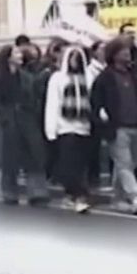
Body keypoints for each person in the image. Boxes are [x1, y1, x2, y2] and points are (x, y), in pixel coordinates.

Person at [91, 36, 137, 214]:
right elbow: (96, 104)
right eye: (122, 51)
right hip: (117, 128)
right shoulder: (105, 78)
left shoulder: (134, 76)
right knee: (124, 163)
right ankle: (136, 196)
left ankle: (117, 199)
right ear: (113, 54)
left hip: (136, 126)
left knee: (127, 165)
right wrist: (102, 120)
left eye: (127, 50)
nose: (126, 53)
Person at [0, 45, 48, 205]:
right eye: (16, 53)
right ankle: (9, 191)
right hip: (8, 120)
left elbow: (34, 97)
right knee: (9, 158)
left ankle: (37, 191)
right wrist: (5, 118)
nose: (20, 55)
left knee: (34, 155)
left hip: (27, 119)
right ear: (8, 57)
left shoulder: (26, 77)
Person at [45, 46, 94, 213]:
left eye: (78, 57)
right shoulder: (58, 78)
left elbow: (93, 100)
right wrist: (51, 130)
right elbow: (53, 104)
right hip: (65, 127)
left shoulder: (88, 78)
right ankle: (77, 195)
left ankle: (73, 195)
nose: (76, 60)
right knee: (68, 163)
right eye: (72, 57)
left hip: (84, 127)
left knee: (80, 164)